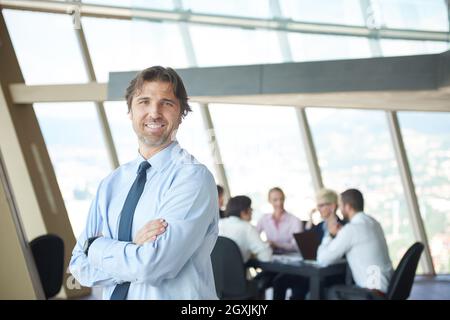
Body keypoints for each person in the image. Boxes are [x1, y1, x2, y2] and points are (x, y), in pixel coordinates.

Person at [69, 66, 219, 300]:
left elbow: (153, 266)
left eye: (167, 103)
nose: (154, 112)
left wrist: (96, 247)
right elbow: (79, 266)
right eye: (144, 101)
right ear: (130, 110)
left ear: (181, 113)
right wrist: (132, 247)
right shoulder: (112, 183)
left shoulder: (192, 178)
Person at [272, 188, 347, 300]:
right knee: (280, 280)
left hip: (329, 272)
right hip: (312, 269)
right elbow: (306, 244)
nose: (318, 209)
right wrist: (310, 219)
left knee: (299, 288)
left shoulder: (344, 227)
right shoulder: (320, 226)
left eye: (321, 205)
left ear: (332, 206)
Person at [317, 188, 393, 297]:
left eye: (341, 206)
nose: (340, 210)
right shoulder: (373, 223)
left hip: (371, 293)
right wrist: (342, 233)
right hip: (386, 288)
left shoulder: (351, 229)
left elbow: (322, 259)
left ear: (348, 207)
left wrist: (329, 235)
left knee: (326, 293)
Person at [219, 196, 272, 263]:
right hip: (237, 272)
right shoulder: (247, 227)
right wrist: (253, 255)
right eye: (250, 208)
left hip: (214, 272)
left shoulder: (218, 224)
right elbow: (267, 256)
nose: (252, 211)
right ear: (244, 211)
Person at [256, 187, 303, 253]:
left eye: (281, 199)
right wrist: (264, 243)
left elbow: (297, 246)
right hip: (271, 256)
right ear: (269, 200)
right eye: (275, 200)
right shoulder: (264, 219)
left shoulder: (295, 220)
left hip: (291, 257)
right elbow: (254, 236)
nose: (279, 203)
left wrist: (276, 244)